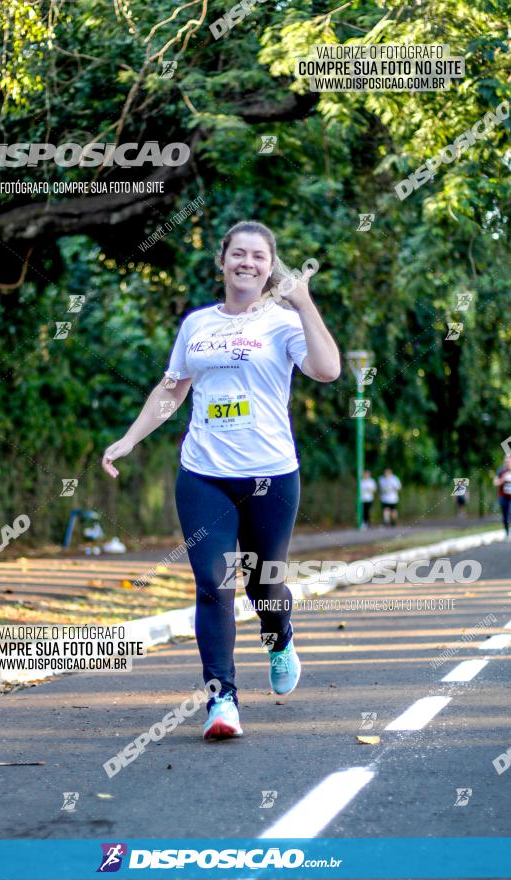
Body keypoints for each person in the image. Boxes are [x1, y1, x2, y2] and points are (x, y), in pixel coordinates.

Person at [102, 220, 341, 740]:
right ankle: (222, 700)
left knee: (263, 581)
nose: (247, 263)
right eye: (239, 254)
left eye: (259, 256)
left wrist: (304, 303)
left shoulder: (284, 322)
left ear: (270, 266)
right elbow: (172, 388)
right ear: (223, 260)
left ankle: (279, 637)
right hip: (203, 472)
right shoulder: (197, 325)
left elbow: (327, 371)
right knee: (213, 583)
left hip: (271, 475)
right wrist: (129, 438)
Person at [493, 455, 511, 540]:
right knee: (505, 516)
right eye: (506, 461)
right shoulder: (501, 471)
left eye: (509, 461)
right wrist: (503, 480)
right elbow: (495, 482)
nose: (507, 462)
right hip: (503, 496)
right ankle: (507, 533)